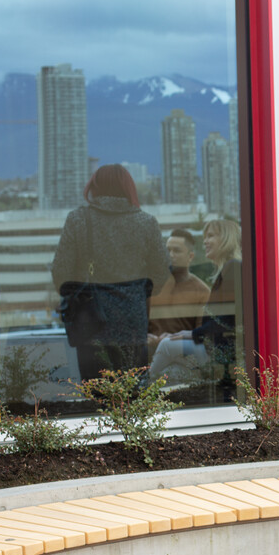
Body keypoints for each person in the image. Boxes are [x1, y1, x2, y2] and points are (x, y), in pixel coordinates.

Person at [53, 164, 170, 380]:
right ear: (128, 189)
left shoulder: (78, 219)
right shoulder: (146, 222)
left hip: (90, 321)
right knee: (132, 393)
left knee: (97, 392)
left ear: (94, 187)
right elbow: (162, 272)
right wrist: (136, 293)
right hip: (133, 322)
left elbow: (61, 273)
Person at [148, 219, 242, 390]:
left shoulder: (233, 269)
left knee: (167, 345)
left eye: (211, 236)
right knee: (170, 373)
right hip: (212, 352)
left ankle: (139, 388)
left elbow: (227, 319)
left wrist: (192, 333)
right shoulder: (225, 272)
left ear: (226, 238)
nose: (205, 241)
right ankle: (148, 393)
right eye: (205, 236)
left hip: (218, 356)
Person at [147, 229, 211, 350]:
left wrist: (174, 338)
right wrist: (144, 337)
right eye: (167, 250)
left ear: (190, 256)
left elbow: (203, 335)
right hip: (148, 355)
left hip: (182, 356)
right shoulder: (150, 286)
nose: (170, 255)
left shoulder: (202, 291)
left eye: (176, 251)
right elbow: (136, 326)